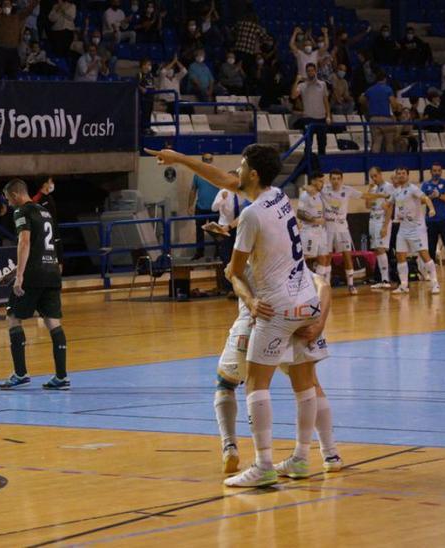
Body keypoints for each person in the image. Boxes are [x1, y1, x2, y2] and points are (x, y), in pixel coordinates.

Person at [146, 144, 324, 488]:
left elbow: (234, 272)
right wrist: (181, 159)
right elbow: (228, 183)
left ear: (253, 173)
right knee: (306, 386)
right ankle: (303, 458)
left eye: (241, 166)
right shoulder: (280, 196)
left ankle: (263, 464)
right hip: (305, 300)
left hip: (274, 306)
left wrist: (252, 301)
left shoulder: (253, 214)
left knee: (255, 386)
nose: (235, 172)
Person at [214, 268, 340, 475]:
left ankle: (233, 448)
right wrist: (319, 323)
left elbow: (232, 273)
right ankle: (329, 454)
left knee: (227, 383)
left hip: (255, 328)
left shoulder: (253, 250)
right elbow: (324, 286)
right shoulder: (291, 256)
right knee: (310, 385)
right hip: (293, 327)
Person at [0, 179, 70, 391]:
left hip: (33, 276)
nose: (9, 204)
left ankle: (20, 373)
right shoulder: (45, 212)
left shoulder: (21, 212)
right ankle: (62, 377)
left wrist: (19, 277)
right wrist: (13, 273)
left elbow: (25, 242)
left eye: (9, 199)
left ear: (15, 195)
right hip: (51, 272)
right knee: (53, 323)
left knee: (13, 318)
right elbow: (45, 246)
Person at [388, 168, 439, 294]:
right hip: (403, 227)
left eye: (403, 174)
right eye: (398, 174)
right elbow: (388, 203)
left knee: (424, 254)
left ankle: (435, 283)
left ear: (407, 175)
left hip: (417, 228)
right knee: (400, 255)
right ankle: (404, 285)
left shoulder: (413, 188)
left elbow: (426, 198)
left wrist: (431, 209)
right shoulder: (396, 191)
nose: (400, 176)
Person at [322, 170, 363, 293]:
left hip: (342, 228)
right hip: (328, 227)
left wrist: (381, 196)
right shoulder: (323, 189)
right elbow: (309, 188)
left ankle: (351, 284)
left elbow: (364, 195)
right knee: (327, 256)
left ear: (341, 179)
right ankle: (326, 284)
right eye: (333, 178)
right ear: (329, 179)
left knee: (347, 255)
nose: (335, 181)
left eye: (338, 178)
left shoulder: (347, 190)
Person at [292, 63, 330, 163]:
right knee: (308, 143)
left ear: (315, 71)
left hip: (321, 118)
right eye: (308, 71)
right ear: (306, 72)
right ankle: (307, 164)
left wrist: (328, 116)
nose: (310, 72)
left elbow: (326, 101)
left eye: (312, 70)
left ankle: (322, 164)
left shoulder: (322, 84)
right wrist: (297, 80)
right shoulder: (302, 85)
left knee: (322, 143)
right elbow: (293, 96)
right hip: (308, 118)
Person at [363, 167, 394, 288]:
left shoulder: (388, 187)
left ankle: (386, 280)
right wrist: (369, 190)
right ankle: (382, 279)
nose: (373, 178)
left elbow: (390, 207)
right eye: (371, 176)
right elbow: (367, 205)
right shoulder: (374, 188)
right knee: (376, 249)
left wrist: (385, 226)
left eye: (375, 175)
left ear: (380, 174)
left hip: (382, 219)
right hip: (373, 219)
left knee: (381, 248)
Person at [187, 154, 220, 259]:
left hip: (214, 208)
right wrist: (190, 205)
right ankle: (199, 252)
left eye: (209, 159)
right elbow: (193, 189)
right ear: (202, 160)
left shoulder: (217, 174)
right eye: (205, 160)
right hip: (200, 207)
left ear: (212, 160)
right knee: (199, 231)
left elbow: (225, 188)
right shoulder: (197, 174)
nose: (208, 161)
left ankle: (218, 252)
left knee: (216, 232)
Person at [297, 174, 330, 281]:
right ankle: (300, 282)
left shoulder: (320, 194)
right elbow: (300, 213)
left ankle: (320, 284)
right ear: (313, 181)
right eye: (320, 181)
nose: (322, 183)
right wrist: (314, 220)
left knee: (323, 256)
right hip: (309, 231)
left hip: (320, 231)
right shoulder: (305, 195)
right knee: (305, 257)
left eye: (323, 181)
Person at [361, 69, 397, 153]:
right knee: (389, 143)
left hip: (373, 119)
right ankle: (390, 164)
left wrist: (368, 107)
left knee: (376, 143)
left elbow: (362, 100)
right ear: (384, 79)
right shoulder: (388, 89)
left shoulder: (370, 90)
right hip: (386, 119)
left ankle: (374, 164)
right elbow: (394, 104)